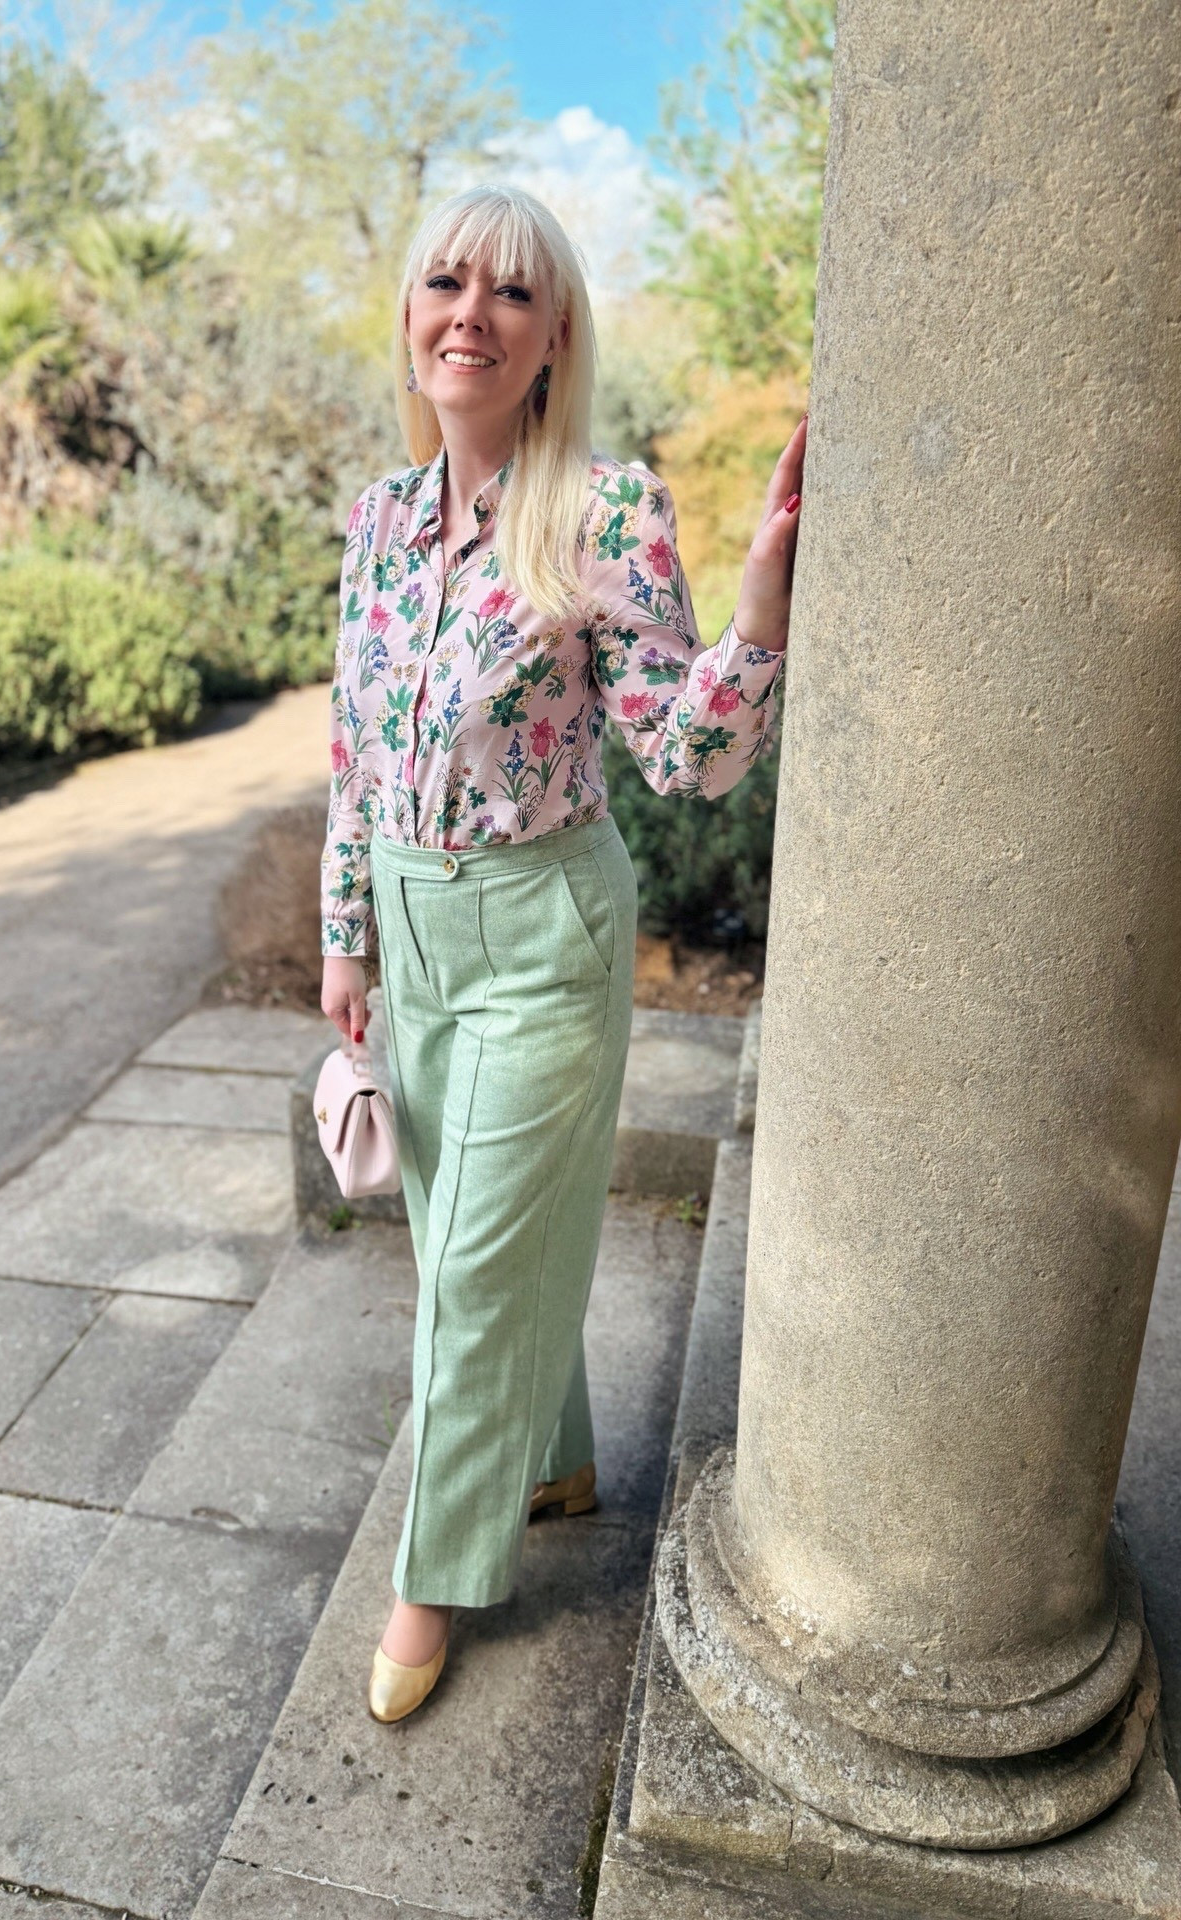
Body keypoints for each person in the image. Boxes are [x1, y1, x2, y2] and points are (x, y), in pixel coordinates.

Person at [318, 183, 804, 1724]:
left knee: (464, 1280)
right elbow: (352, 753)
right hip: (410, 914)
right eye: (445, 283)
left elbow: (684, 754)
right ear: (411, 321)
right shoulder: (381, 525)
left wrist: (759, 620)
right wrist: (347, 934)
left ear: (554, 338)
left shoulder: (607, 510)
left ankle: (432, 1577)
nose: (472, 312)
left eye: (511, 294)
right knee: (461, 1221)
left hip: (543, 931)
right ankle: (563, 1461)